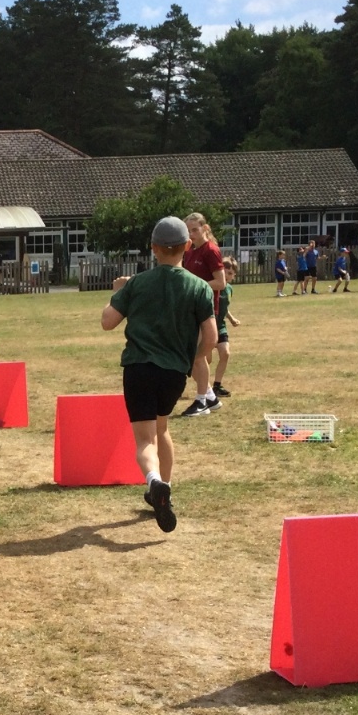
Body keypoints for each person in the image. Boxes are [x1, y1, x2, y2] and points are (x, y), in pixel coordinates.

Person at [100, 216, 218, 533]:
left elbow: (108, 322)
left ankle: (154, 483)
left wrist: (117, 292)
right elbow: (211, 339)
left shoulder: (137, 283)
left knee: (144, 440)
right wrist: (189, 359)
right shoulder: (199, 287)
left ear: (154, 248)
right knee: (162, 428)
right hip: (173, 373)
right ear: (187, 246)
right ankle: (167, 487)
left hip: (138, 368)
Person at [176, 212, 225, 417]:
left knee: (198, 356)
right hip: (191, 310)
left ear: (205, 228)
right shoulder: (190, 251)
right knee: (193, 357)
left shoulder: (210, 251)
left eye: (195, 229)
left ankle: (202, 401)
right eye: (188, 231)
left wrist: (195, 286)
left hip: (205, 311)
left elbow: (221, 282)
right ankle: (210, 397)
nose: (191, 234)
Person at [212, 257, 241, 398]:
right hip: (207, 327)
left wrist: (231, 318)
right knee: (205, 360)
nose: (228, 276)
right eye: (226, 272)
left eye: (231, 274)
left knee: (225, 353)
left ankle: (217, 386)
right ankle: (204, 389)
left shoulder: (229, 289)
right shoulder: (213, 287)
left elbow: (224, 307)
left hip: (220, 327)